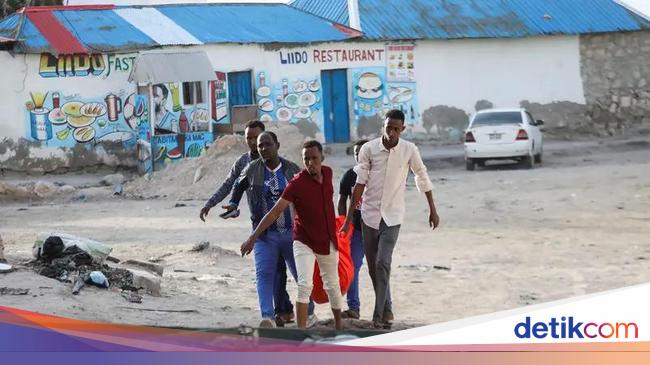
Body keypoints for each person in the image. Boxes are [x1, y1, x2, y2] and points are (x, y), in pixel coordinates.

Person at [342, 109, 440, 329]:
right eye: (389, 127)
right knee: (372, 267)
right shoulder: (368, 149)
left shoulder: (409, 150)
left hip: (393, 216)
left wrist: (432, 208)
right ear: (383, 127)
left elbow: (421, 175)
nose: (392, 132)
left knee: (383, 263)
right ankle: (387, 308)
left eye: (397, 129)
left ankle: (377, 316)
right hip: (369, 215)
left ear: (402, 129)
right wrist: (349, 219)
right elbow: (360, 184)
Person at [199, 121, 294, 326]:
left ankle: (284, 310)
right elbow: (231, 185)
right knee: (268, 271)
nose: (253, 142)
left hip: (284, 226)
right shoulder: (244, 163)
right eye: (249, 138)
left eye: (256, 138)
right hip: (260, 226)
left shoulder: (283, 166)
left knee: (281, 270)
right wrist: (215, 203)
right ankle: (276, 312)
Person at [241, 140, 343, 330]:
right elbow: (274, 212)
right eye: (306, 159)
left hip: (327, 239)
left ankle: (339, 327)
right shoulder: (296, 183)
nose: (311, 162)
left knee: (333, 286)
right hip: (303, 240)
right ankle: (300, 331)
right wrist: (253, 237)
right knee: (304, 284)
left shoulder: (328, 173)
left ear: (322, 157)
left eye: (314, 158)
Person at [227, 131, 303, 328]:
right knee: (264, 273)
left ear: (277, 145)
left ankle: (309, 314)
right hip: (264, 235)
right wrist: (233, 204)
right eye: (260, 146)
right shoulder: (252, 169)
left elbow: (305, 194)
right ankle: (267, 317)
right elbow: (237, 185)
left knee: (301, 275)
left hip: (291, 233)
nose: (263, 149)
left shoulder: (291, 169)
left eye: (267, 144)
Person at [337, 140, 393, 320]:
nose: (358, 155)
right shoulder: (349, 176)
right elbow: (341, 200)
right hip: (357, 232)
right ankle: (353, 308)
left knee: (380, 268)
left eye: (361, 151)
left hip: (377, 229)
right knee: (351, 268)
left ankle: (386, 309)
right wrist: (343, 223)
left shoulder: (379, 175)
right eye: (355, 152)